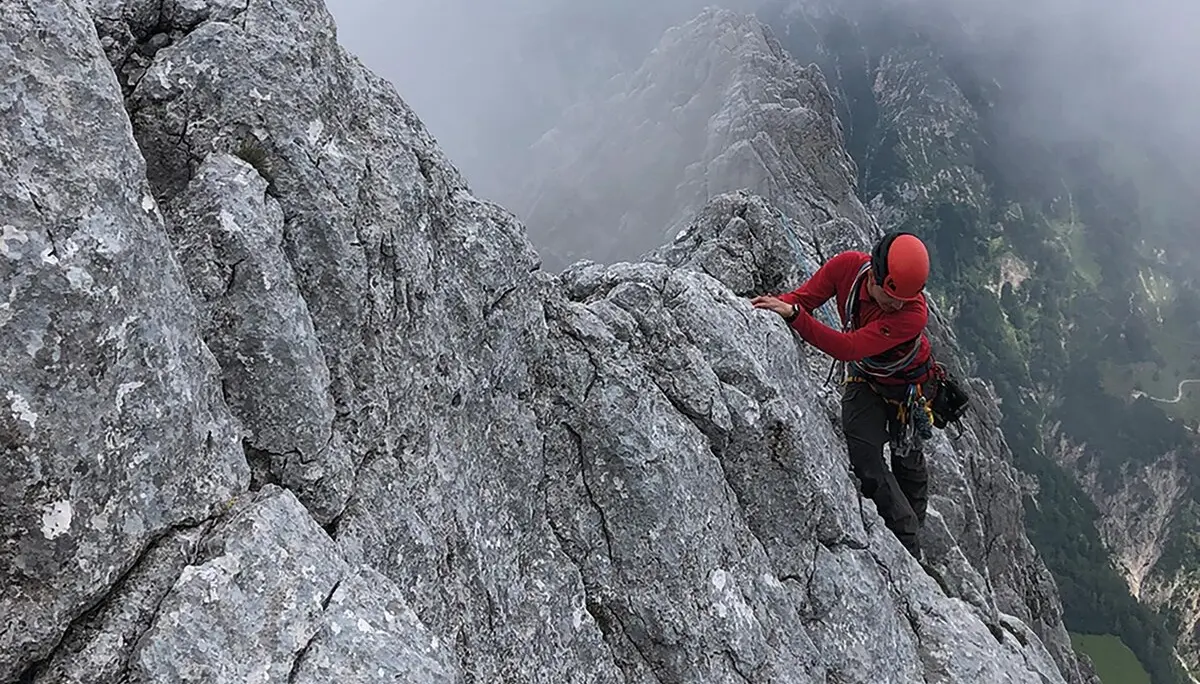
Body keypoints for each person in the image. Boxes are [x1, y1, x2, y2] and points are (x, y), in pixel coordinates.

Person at [751, 231, 935, 560]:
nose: (897, 304)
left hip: (907, 386)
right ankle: (904, 528)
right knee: (865, 456)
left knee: (908, 460)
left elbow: (847, 348)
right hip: (868, 377)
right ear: (876, 274)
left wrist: (794, 316)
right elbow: (801, 300)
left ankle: (912, 540)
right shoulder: (846, 268)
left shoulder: (912, 313)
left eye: (904, 299)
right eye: (892, 296)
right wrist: (768, 307)